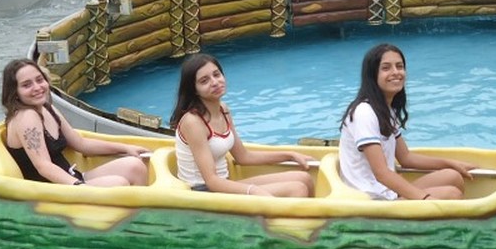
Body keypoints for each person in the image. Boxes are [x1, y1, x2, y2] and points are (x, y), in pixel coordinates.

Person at [338, 43, 471, 201]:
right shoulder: (364, 112)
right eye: (386, 68)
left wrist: (449, 163)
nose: (396, 72)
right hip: (370, 199)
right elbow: (381, 173)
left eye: (399, 66)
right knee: (451, 194)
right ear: (372, 75)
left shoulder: (386, 110)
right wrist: (425, 199)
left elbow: (406, 158)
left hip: (386, 192)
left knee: (453, 176)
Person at [171, 53, 316, 197]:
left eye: (217, 74)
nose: (215, 82)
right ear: (194, 90)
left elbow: (243, 157)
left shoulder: (223, 109)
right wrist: (252, 190)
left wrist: (289, 155)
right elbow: (211, 181)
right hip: (202, 192)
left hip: (224, 184)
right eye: (204, 81)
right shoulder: (193, 122)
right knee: (297, 188)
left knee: (305, 178)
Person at [1, 59, 149, 187]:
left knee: (135, 165)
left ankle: (140, 211)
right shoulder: (26, 117)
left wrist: (125, 148)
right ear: (15, 92)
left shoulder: (47, 108)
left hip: (72, 178)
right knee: (118, 183)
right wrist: (79, 186)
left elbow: (81, 144)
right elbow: (43, 166)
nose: (37, 87)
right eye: (26, 85)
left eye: (39, 80)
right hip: (53, 191)